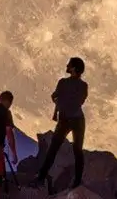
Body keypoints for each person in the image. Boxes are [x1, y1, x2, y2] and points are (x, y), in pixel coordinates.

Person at [35, 57, 89, 190]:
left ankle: (74, 182)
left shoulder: (71, 84)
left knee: (71, 150)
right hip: (71, 119)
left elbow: (57, 97)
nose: (67, 65)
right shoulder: (75, 84)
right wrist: (59, 108)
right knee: (59, 149)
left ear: (74, 68)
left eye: (69, 64)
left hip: (72, 120)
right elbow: (68, 99)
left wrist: (60, 105)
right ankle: (42, 178)